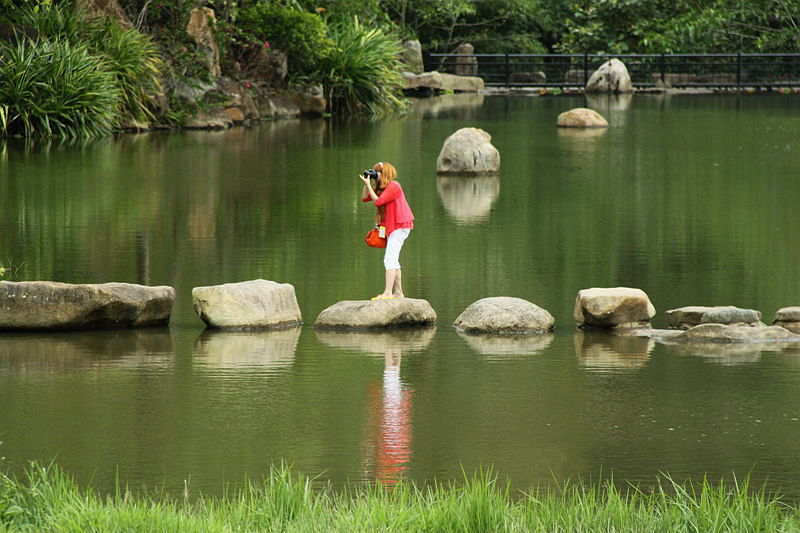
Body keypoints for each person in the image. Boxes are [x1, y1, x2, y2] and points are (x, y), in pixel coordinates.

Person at [359, 162, 414, 300]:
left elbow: (378, 202)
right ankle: (399, 293)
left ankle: (388, 293)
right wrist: (367, 183)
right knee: (393, 260)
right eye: (374, 172)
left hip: (399, 226)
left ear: (385, 174)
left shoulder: (394, 186)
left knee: (389, 260)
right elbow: (365, 198)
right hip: (392, 227)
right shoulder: (381, 188)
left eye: (377, 173)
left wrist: (371, 186)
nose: (375, 175)